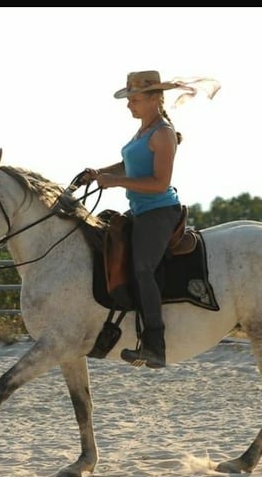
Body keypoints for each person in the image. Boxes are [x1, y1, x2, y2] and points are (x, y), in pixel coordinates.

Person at [80, 70, 219, 369]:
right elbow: (128, 164)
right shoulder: (144, 131)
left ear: (155, 99)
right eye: (129, 99)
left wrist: (115, 182)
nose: (129, 104)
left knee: (143, 268)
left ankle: (155, 344)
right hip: (142, 211)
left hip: (159, 212)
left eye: (134, 99)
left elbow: (158, 182)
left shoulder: (163, 133)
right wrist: (98, 173)